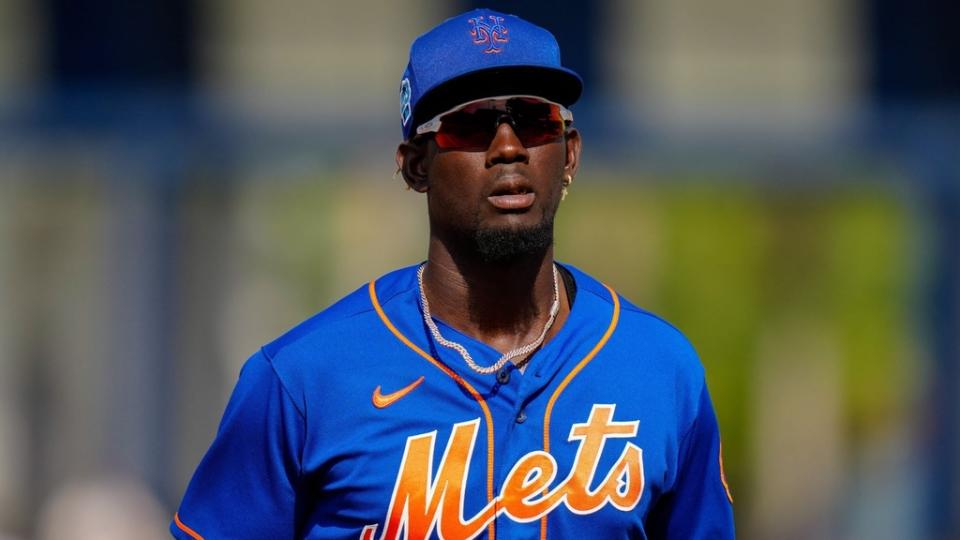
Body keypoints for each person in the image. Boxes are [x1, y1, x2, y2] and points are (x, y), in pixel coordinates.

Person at [171, 8, 735, 539]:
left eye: (536, 120)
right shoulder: (301, 380)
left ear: (569, 154)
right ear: (416, 166)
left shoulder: (661, 371)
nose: (508, 147)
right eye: (470, 125)